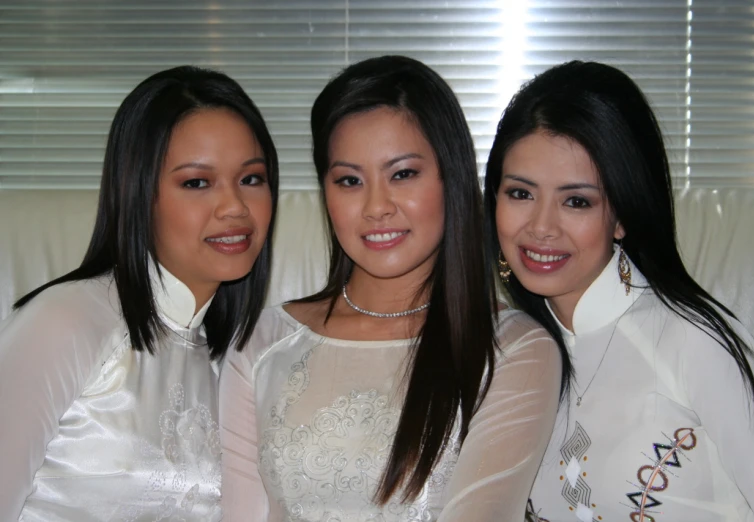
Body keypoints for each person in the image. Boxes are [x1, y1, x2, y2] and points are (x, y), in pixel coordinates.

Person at [219, 55, 562, 521]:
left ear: (450, 177)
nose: (376, 206)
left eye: (403, 174)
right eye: (350, 181)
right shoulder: (262, 344)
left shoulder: (514, 351)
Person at [484, 60, 754, 522]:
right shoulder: (510, 350)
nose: (540, 227)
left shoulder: (694, 341)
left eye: (576, 201)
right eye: (521, 193)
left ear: (622, 216)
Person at [0, 65, 279, 521]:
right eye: (196, 183)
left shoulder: (232, 364)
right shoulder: (64, 321)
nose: (234, 207)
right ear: (138, 193)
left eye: (251, 179)